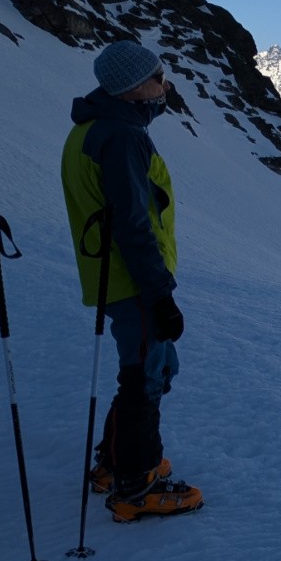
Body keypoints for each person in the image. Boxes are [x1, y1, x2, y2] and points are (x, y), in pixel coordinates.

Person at [61, 40, 203, 522]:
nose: (164, 84)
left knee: (143, 374)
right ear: (132, 87)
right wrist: (159, 293)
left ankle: (115, 462)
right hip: (133, 282)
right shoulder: (121, 137)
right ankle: (136, 486)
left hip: (116, 279)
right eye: (158, 76)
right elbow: (132, 224)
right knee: (147, 378)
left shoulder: (92, 129)